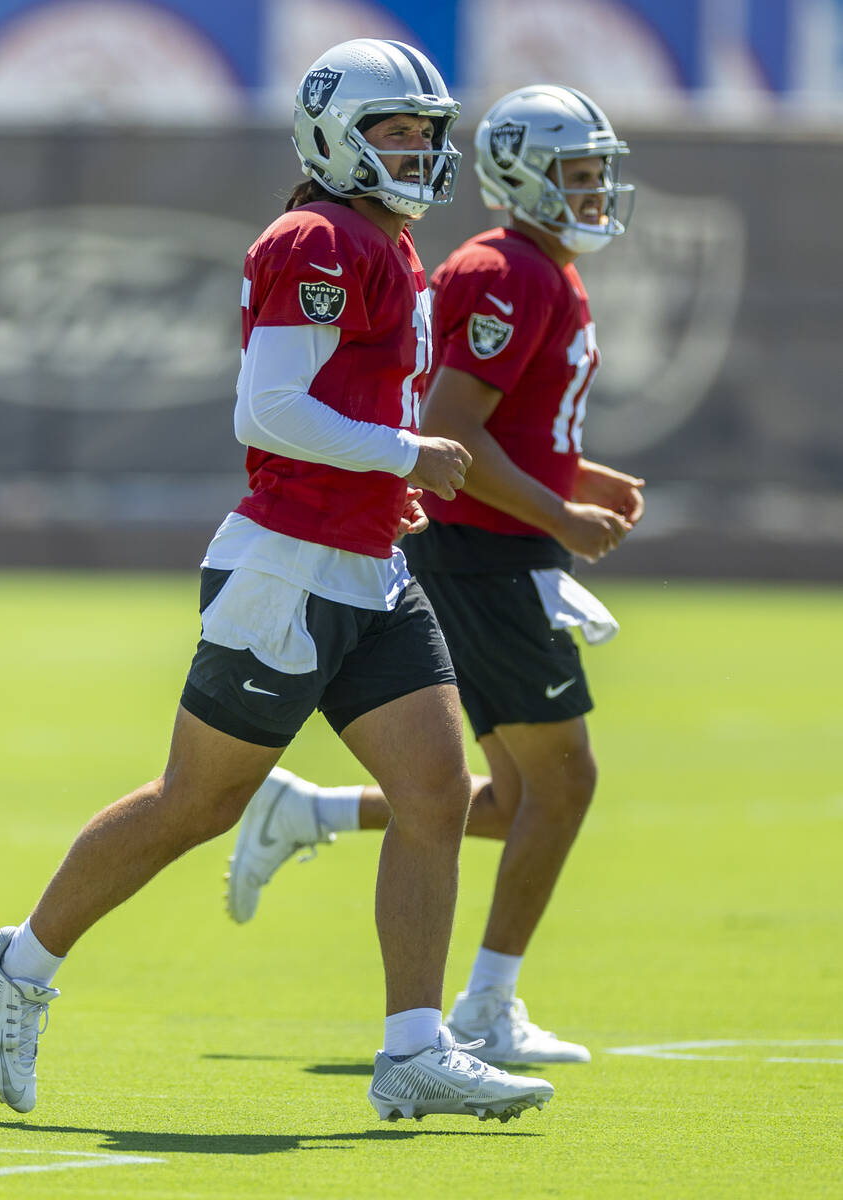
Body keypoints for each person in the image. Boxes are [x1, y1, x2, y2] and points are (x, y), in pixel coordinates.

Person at [0, 40, 554, 1125]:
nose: (417, 151)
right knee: (197, 802)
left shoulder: (387, 243)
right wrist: (404, 451)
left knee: (433, 793)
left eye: (426, 132)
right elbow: (266, 409)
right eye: (393, 132)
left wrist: (395, 475)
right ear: (334, 136)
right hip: (287, 564)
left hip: (370, 566)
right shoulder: (319, 236)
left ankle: (414, 1046)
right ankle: (21, 960)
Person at [226, 84, 645, 1068]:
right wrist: (562, 516)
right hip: (476, 549)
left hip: (486, 542)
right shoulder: (511, 271)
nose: (592, 193)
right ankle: (486, 1003)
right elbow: (452, 427)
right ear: (523, 177)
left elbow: (492, 427)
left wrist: (573, 479)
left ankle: (313, 813)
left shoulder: (535, 267)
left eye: (597, 175)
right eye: (574, 175)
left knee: (512, 789)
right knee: (560, 781)